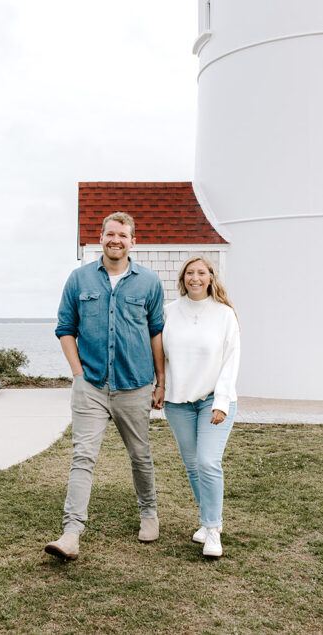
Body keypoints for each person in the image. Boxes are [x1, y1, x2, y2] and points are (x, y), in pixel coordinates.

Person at [44, 211, 166, 560]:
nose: (116, 240)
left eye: (122, 235)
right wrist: (78, 374)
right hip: (91, 386)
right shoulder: (79, 279)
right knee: (82, 456)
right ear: (101, 238)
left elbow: (156, 333)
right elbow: (65, 329)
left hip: (135, 385)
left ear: (132, 241)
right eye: (110, 234)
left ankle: (149, 514)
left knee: (140, 455)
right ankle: (71, 533)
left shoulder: (149, 282)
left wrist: (162, 382)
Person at [161, 256, 240, 557]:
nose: (195, 278)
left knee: (208, 462)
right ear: (182, 279)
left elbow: (231, 360)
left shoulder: (224, 314)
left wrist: (221, 401)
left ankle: (213, 530)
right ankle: (207, 524)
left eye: (201, 273)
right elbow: (160, 355)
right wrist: (160, 388)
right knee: (193, 466)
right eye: (190, 273)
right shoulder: (169, 312)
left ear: (210, 279)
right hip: (178, 402)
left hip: (213, 401)